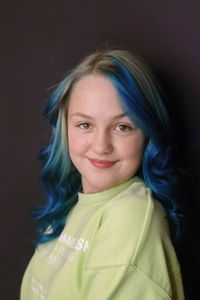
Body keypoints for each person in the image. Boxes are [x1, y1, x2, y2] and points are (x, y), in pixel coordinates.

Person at [20, 46, 185, 299]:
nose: (101, 146)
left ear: (147, 135)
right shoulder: (71, 207)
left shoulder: (130, 217)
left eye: (122, 127)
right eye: (85, 124)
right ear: (65, 127)